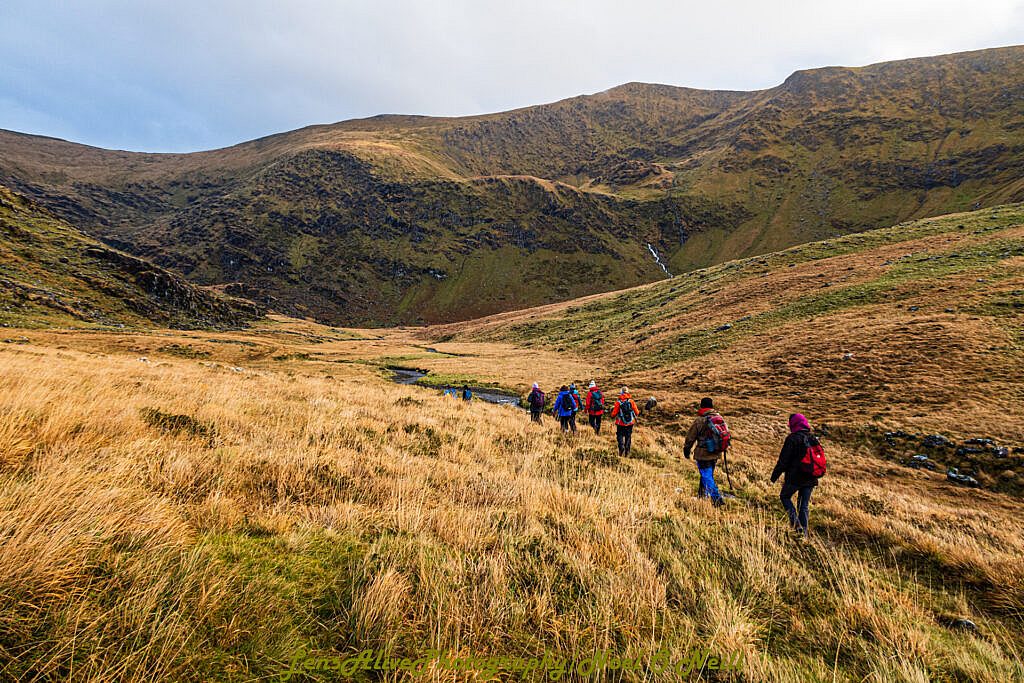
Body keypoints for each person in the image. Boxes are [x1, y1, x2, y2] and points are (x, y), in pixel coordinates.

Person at [771, 413, 821, 537]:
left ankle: (796, 524)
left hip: (795, 477)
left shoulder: (792, 438)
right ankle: (803, 533)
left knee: (785, 497)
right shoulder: (813, 438)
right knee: (803, 505)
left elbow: (783, 461)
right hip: (811, 477)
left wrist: (774, 476)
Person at [683, 397, 726, 507]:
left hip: (703, 453)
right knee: (707, 474)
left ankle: (716, 499)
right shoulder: (719, 417)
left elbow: (690, 438)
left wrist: (686, 450)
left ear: (702, 406)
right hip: (716, 452)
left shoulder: (700, 420)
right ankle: (702, 495)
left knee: (706, 475)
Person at [610, 387, 639, 456]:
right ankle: (627, 451)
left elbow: (614, 414)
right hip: (630, 423)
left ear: (621, 392)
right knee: (628, 436)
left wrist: (612, 415)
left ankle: (621, 448)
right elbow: (637, 412)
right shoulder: (631, 401)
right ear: (627, 392)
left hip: (620, 423)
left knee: (619, 436)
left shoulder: (618, 402)